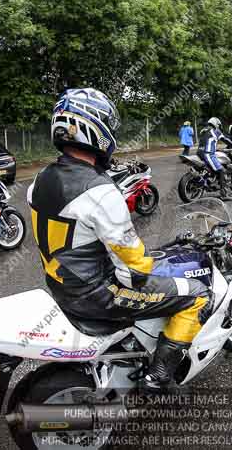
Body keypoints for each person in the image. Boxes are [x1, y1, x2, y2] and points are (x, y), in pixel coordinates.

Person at [28, 88, 210, 393]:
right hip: (98, 295)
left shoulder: (39, 179)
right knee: (197, 294)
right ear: (94, 128)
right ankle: (159, 377)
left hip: (61, 286)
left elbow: (78, 238)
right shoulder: (99, 190)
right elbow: (134, 270)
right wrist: (156, 266)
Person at [198, 117, 232, 200]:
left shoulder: (203, 130)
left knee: (211, 169)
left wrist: (215, 149)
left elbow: (207, 142)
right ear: (216, 124)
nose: (219, 127)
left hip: (199, 153)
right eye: (218, 125)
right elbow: (225, 140)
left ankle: (207, 182)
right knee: (222, 171)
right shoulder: (216, 131)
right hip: (208, 154)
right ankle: (224, 194)